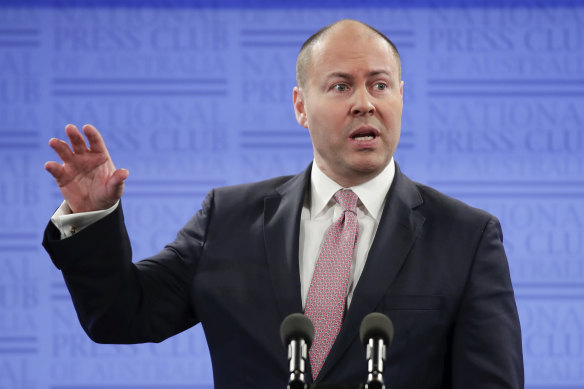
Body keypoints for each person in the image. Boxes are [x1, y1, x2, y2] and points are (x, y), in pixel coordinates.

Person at [42, 19, 524, 388]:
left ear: (400, 97)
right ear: (300, 105)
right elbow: (122, 314)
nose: (365, 103)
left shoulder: (466, 237)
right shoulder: (227, 219)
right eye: (340, 86)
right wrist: (93, 218)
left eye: (379, 85)